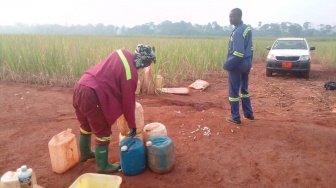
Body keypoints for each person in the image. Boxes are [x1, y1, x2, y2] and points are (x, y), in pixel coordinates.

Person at [73, 44, 156, 173]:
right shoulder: (130, 74)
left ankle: (85, 153)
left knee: (85, 125)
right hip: (93, 95)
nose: (145, 67)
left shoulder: (121, 52)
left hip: (81, 86)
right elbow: (128, 102)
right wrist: (132, 125)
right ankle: (103, 166)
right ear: (142, 61)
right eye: (146, 64)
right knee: (103, 133)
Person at [223, 8, 254, 125]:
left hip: (238, 64)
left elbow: (238, 53)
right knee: (244, 90)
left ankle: (235, 117)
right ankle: (249, 114)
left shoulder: (238, 32)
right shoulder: (247, 29)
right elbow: (250, 48)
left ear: (238, 17)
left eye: (232, 17)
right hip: (246, 63)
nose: (230, 19)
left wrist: (227, 65)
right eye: (230, 17)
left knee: (233, 92)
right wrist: (249, 64)